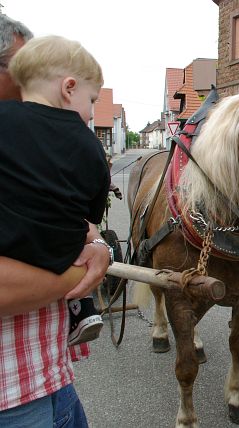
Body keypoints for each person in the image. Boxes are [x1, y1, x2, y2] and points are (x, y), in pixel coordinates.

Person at [0, 27, 111, 428]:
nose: (91, 113)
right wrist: (93, 251)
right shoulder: (86, 143)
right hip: (15, 398)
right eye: (92, 100)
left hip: (50, 374)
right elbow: (92, 210)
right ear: (68, 88)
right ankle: (83, 308)